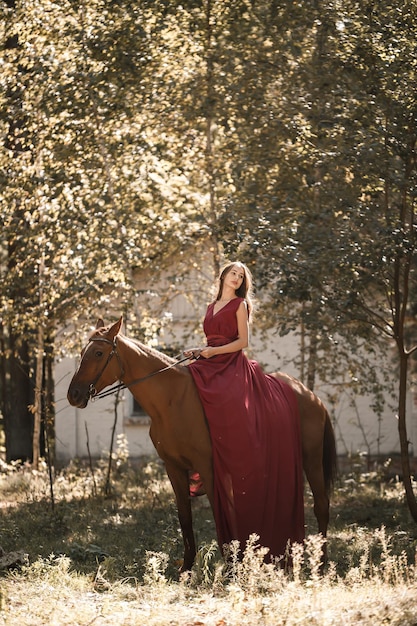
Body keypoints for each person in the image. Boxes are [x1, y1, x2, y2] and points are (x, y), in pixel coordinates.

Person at [184, 261, 305, 562]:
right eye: (233, 273)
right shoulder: (211, 306)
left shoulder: (240, 305)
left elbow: (243, 342)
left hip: (232, 365)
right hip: (209, 361)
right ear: (223, 275)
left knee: (230, 410)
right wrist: (200, 351)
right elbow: (211, 341)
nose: (236, 278)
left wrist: (212, 352)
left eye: (241, 276)